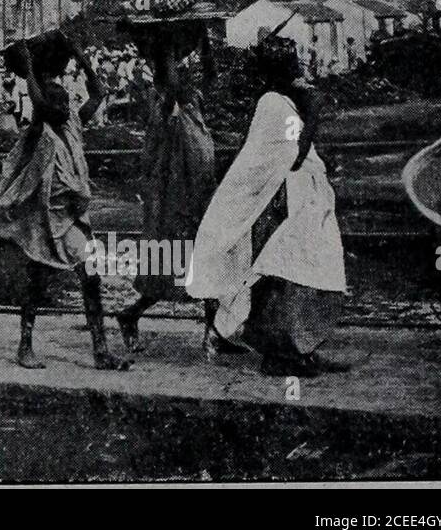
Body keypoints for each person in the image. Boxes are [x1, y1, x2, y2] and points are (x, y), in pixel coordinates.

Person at [186, 40, 349, 376]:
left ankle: (300, 350)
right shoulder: (273, 104)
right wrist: (314, 112)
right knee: (283, 280)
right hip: (283, 204)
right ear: (282, 71)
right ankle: (279, 355)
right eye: (292, 63)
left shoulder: (283, 102)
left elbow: (299, 150)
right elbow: (292, 156)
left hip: (300, 199)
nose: (299, 67)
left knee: (303, 275)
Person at [0, 34, 128, 370]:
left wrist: (81, 57)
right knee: (37, 282)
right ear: (45, 107)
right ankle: (25, 345)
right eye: (57, 103)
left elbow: (99, 94)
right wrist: (30, 68)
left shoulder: (73, 122)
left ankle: (101, 349)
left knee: (90, 277)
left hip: (73, 217)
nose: (64, 106)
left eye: (65, 101)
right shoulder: (41, 129)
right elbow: (37, 98)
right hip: (46, 220)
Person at [116, 28, 219, 351]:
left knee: (208, 261)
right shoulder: (164, 102)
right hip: (179, 198)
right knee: (174, 265)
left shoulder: (193, 103)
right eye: (179, 72)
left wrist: (202, 40)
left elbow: (210, 77)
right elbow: (172, 84)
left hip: (201, 192)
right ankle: (133, 313)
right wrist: (169, 49)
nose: (188, 78)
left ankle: (214, 332)